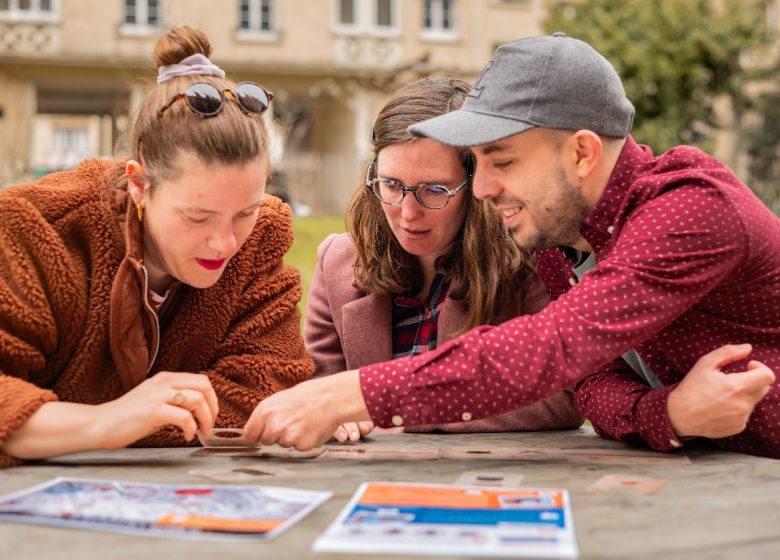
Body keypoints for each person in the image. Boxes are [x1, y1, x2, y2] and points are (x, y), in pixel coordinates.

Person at [244, 33, 780, 460]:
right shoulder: (558, 242)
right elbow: (592, 384)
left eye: (502, 162)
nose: (480, 189)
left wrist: (348, 395)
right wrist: (669, 414)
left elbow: (549, 349)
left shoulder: (689, 210)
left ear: (582, 153)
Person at [0, 26, 312, 468]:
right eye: (198, 217)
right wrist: (106, 421)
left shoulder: (262, 237)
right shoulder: (35, 227)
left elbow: (270, 385)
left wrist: (80, 423)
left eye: (245, 212)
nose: (225, 243)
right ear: (139, 185)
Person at [306, 78, 582, 443]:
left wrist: (404, 405)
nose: (407, 213)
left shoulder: (530, 258)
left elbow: (566, 397)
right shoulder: (336, 261)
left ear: (477, 185)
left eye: (434, 190)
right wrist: (330, 414)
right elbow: (316, 386)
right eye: (391, 185)